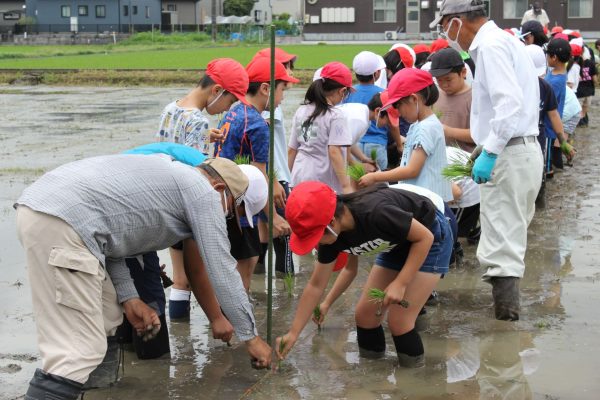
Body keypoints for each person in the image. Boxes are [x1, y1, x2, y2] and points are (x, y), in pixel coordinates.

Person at [15, 155, 273, 399]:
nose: (226, 217)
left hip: (42, 208)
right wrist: (251, 337)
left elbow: (114, 241)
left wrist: (129, 297)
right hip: (63, 222)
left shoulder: (170, 180)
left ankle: (96, 393)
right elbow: (222, 269)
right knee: (78, 350)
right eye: (231, 211)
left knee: (108, 315)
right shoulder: (203, 193)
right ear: (219, 189)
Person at [431, 0, 543, 321]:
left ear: (456, 22)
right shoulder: (504, 41)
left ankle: (504, 344)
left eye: (443, 26)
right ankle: (506, 330)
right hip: (519, 151)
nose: (446, 35)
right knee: (508, 239)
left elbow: (508, 106)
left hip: (509, 155)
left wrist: (490, 151)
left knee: (501, 249)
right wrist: (485, 147)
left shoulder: (492, 46)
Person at [275, 181, 453, 368]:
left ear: (332, 222)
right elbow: (316, 285)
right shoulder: (331, 238)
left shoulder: (375, 212)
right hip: (397, 242)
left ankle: (413, 381)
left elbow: (424, 238)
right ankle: (373, 376)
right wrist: (294, 333)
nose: (314, 244)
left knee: (399, 321)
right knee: (365, 316)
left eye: (314, 237)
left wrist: (401, 282)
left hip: (429, 237)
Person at [157, 58, 250, 320]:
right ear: (216, 91)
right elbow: (198, 172)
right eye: (230, 101)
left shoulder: (171, 108)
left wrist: (205, 134)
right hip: (185, 203)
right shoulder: (197, 120)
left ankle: (180, 334)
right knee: (194, 276)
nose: (226, 108)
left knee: (179, 278)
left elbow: (170, 147)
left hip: (164, 194)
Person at [215, 56, 298, 292]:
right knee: (245, 265)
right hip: (240, 205)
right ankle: (238, 318)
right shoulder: (258, 125)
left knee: (243, 260)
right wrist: (273, 218)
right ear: (265, 88)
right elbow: (259, 177)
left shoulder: (233, 111)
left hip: (222, 197)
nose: (282, 98)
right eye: (282, 90)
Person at [358, 68, 453, 205]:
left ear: (414, 99)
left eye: (398, 105)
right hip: (421, 199)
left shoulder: (426, 128)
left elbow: (412, 170)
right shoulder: (419, 125)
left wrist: (376, 177)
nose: (398, 111)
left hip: (428, 203)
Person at [252, 47, 298, 276]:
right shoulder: (271, 105)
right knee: (282, 234)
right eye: (286, 66)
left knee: (262, 235)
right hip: (275, 176)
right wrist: (274, 180)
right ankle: (286, 283)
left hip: (267, 177)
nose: (289, 71)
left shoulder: (263, 102)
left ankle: (258, 280)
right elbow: (265, 147)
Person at [288, 61, 355, 194]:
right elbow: (334, 152)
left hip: (299, 176)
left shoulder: (301, 111)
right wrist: (346, 186)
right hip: (322, 181)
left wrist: (286, 178)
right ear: (342, 91)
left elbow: (292, 150)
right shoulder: (336, 115)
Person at [345, 51, 391, 171]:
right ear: (376, 74)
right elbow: (393, 123)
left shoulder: (347, 93)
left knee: (356, 182)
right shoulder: (384, 93)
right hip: (378, 144)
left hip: (354, 145)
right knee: (381, 183)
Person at [429, 47, 475, 152]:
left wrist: (447, 131)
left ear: (463, 73)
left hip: (463, 161)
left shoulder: (473, 98)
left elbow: (479, 135)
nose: (444, 85)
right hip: (439, 156)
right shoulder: (436, 96)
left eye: (448, 79)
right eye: (439, 80)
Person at [576, 45, 598, 127]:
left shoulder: (573, 63)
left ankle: (576, 126)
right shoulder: (590, 63)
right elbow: (594, 79)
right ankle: (583, 124)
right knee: (585, 109)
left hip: (578, 92)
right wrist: (595, 85)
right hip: (589, 91)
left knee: (577, 110)